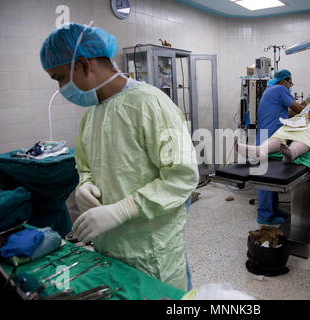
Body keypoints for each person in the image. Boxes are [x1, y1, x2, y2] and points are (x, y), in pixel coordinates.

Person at [40, 23, 199, 291]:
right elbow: (87, 165)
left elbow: (182, 177)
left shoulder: (151, 103)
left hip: (152, 249)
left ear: (83, 65)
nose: (60, 87)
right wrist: (84, 185)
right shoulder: (92, 114)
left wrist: (123, 210)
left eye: (59, 77)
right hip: (109, 245)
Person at [248, 69, 310, 225]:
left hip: (265, 134)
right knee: (265, 177)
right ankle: (264, 215)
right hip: (269, 137)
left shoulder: (271, 91)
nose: (290, 86)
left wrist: (303, 104)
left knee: (271, 176)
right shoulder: (280, 89)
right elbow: (298, 110)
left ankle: (273, 209)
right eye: (290, 83)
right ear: (284, 81)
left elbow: (288, 113)